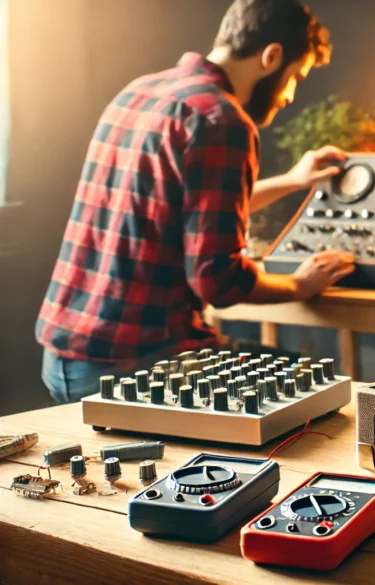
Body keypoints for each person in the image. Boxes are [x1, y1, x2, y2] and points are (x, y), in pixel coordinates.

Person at [35, 0, 354, 404]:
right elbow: (216, 279)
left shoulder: (139, 91)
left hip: (64, 359)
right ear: (272, 57)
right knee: (324, 391)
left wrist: (293, 181)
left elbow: (185, 210)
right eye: (295, 78)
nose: (290, 95)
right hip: (134, 365)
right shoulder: (222, 119)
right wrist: (298, 284)